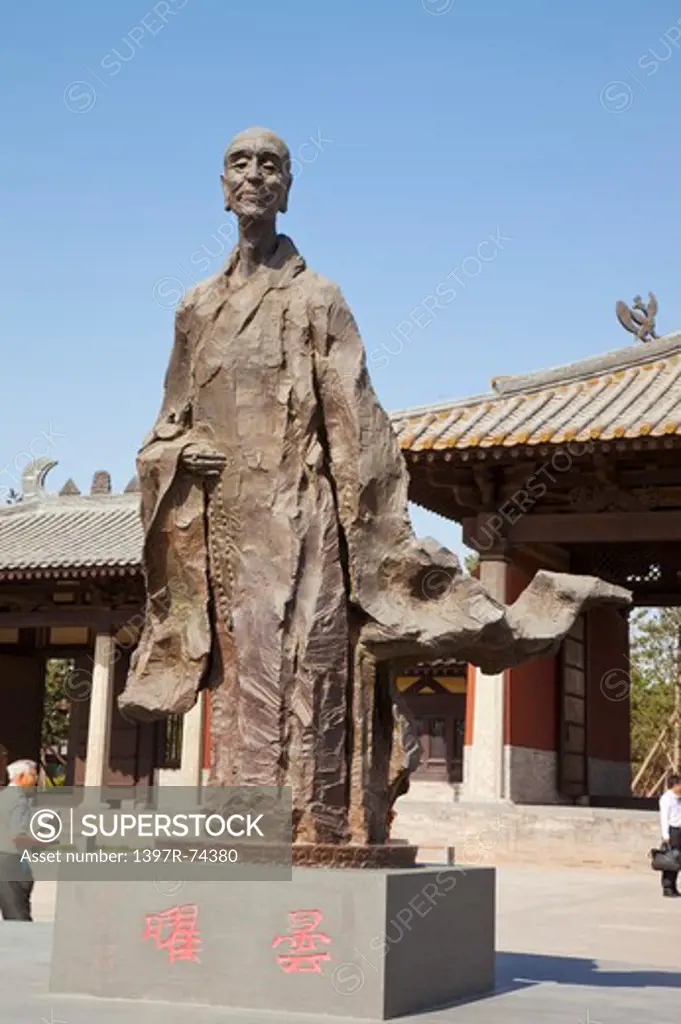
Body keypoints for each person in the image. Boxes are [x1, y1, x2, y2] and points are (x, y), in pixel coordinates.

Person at [0, 759, 37, 920]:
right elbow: (17, 835)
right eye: (32, 776)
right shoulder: (19, 800)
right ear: (20, 776)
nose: (34, 780)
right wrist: (42, 842)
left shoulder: (3, 795)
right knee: (17, 914)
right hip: (12, 860)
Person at [659, 772, 681, 897]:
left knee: (677, 860)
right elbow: (664, 817)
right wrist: (665, 834)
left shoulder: (678, 798)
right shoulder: (666, 799)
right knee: (670, 859)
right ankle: (667, 887)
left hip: (680, 830)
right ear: (676, 785)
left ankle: (674, 886)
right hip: (672, 831)